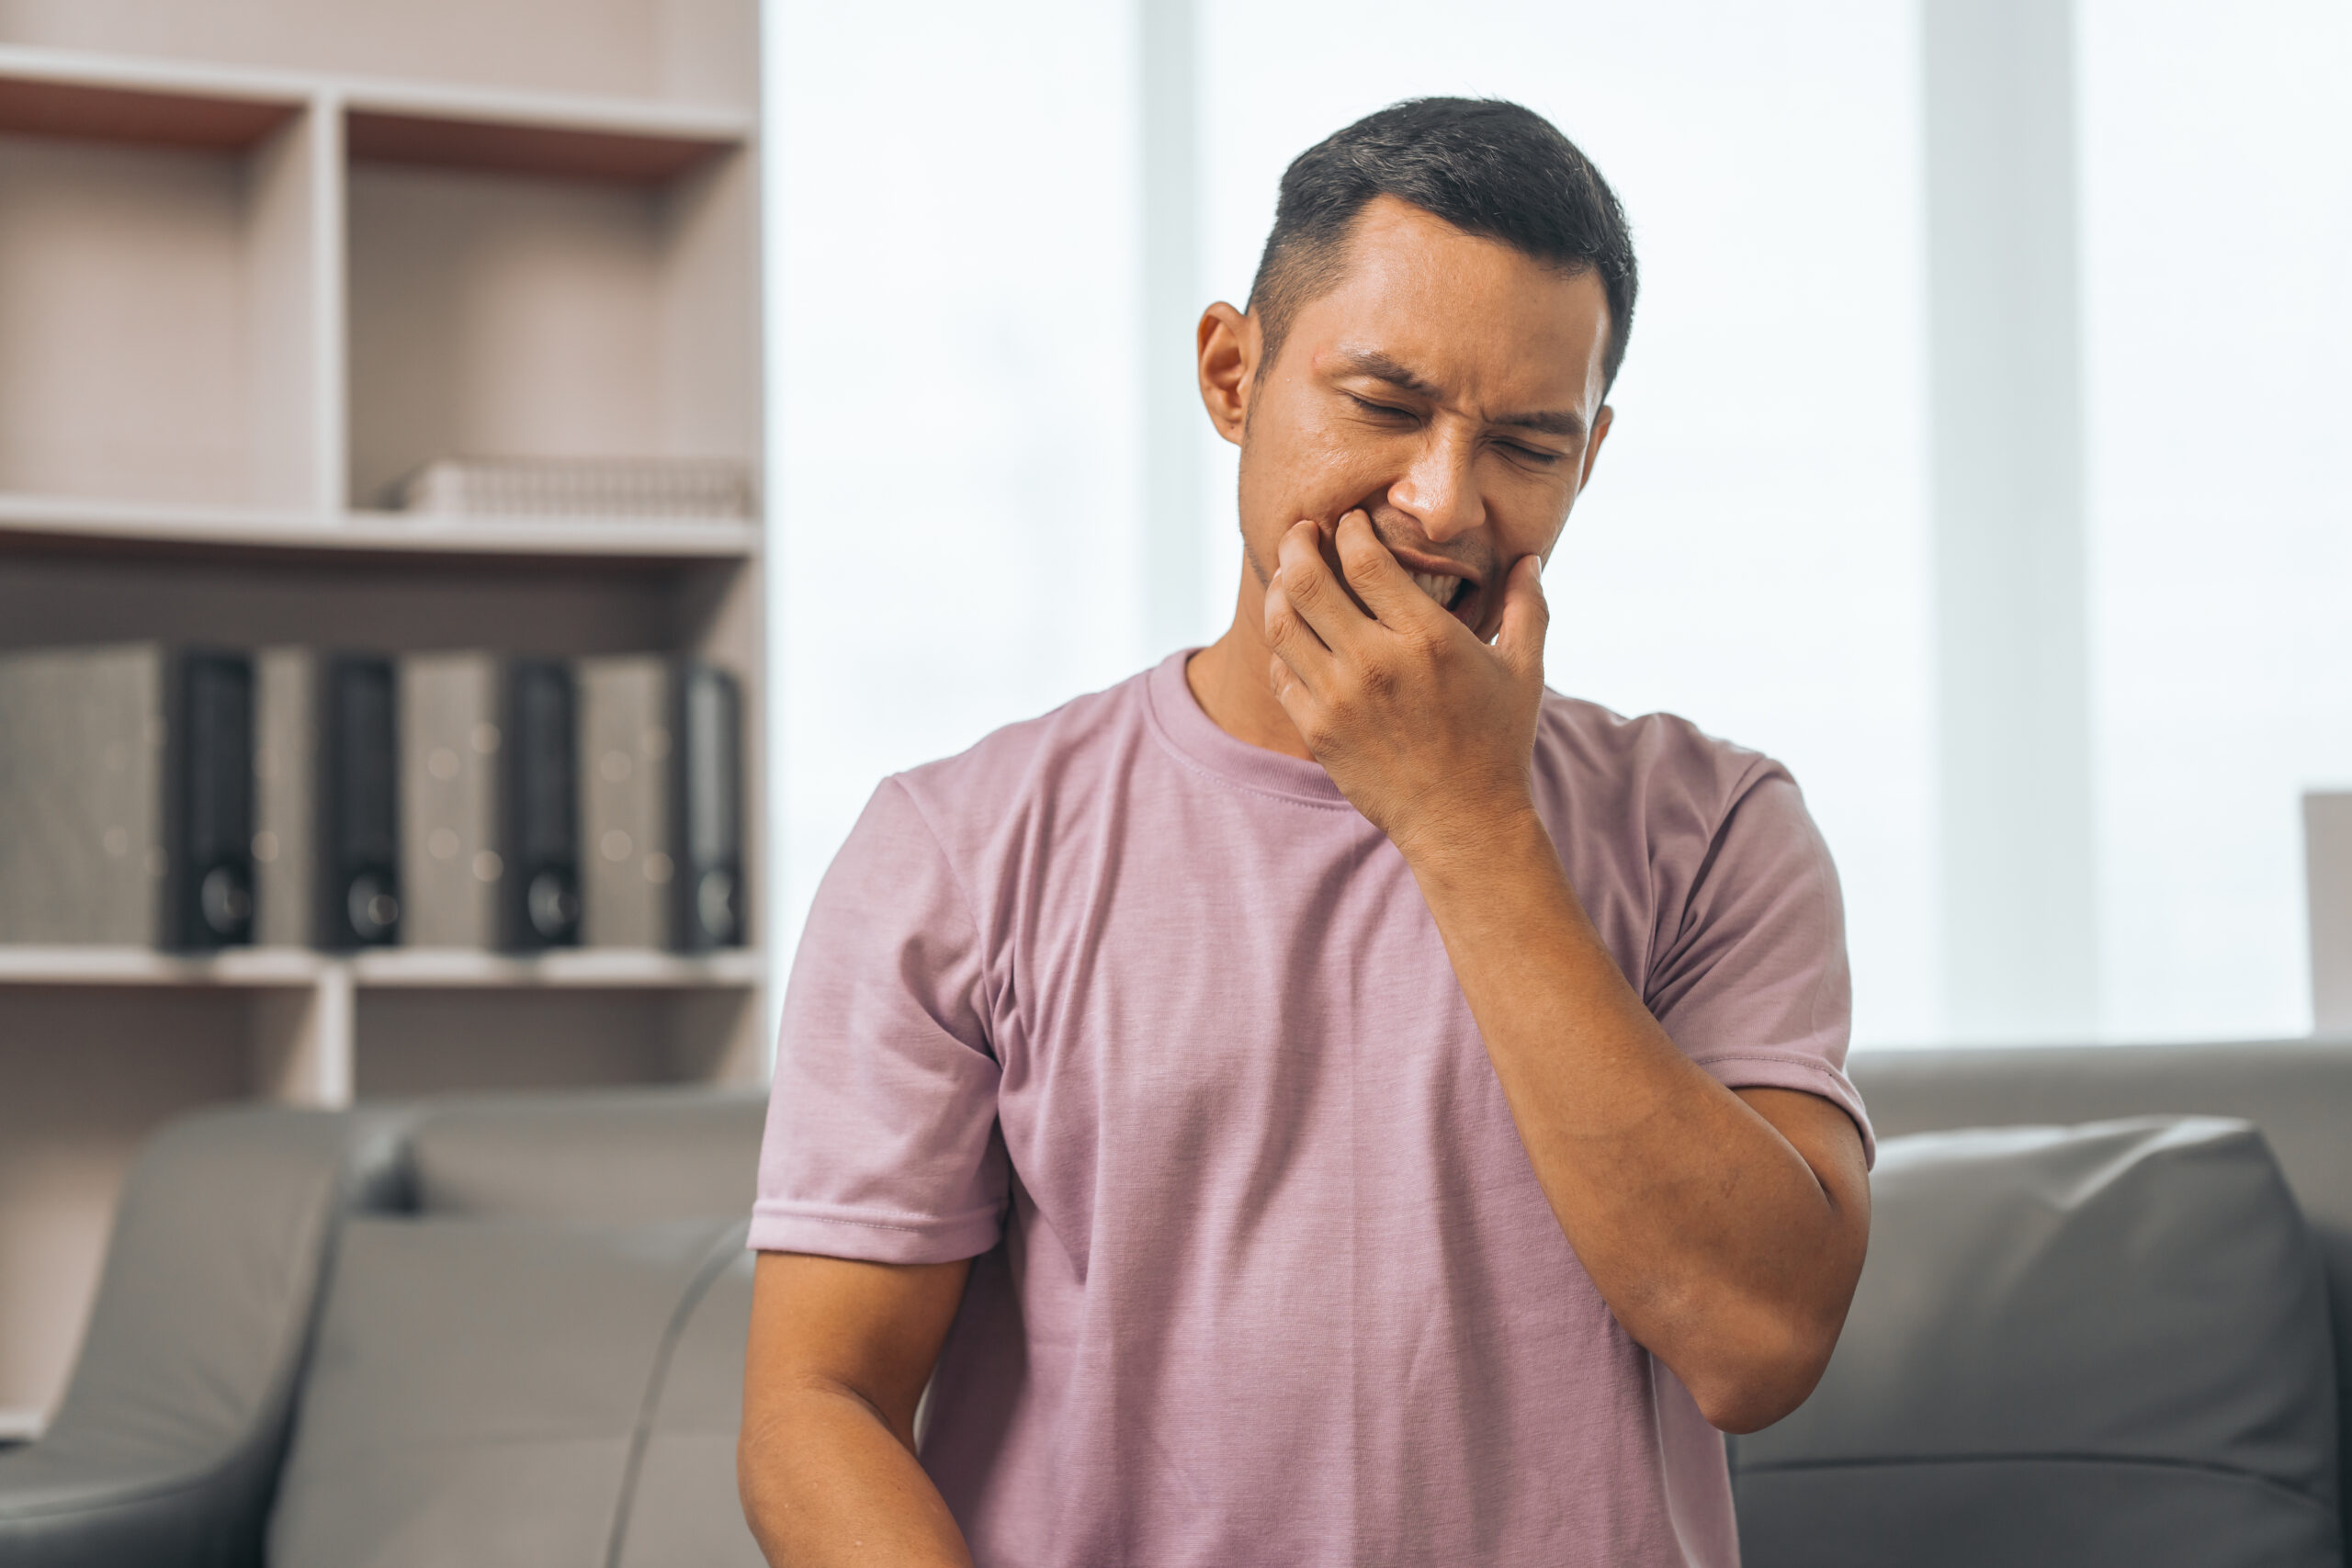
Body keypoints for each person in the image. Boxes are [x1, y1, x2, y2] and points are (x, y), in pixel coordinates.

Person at [738, 96, 1872, 1568]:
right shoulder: (957, 850)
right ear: (1233, 372)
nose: (1442, 503)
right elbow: (815, 1404)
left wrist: (1467, 820)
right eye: (1386, 407)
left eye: (1525, 444)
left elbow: (1759, 1342)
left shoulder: (1718, 829)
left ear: (1588, 460)